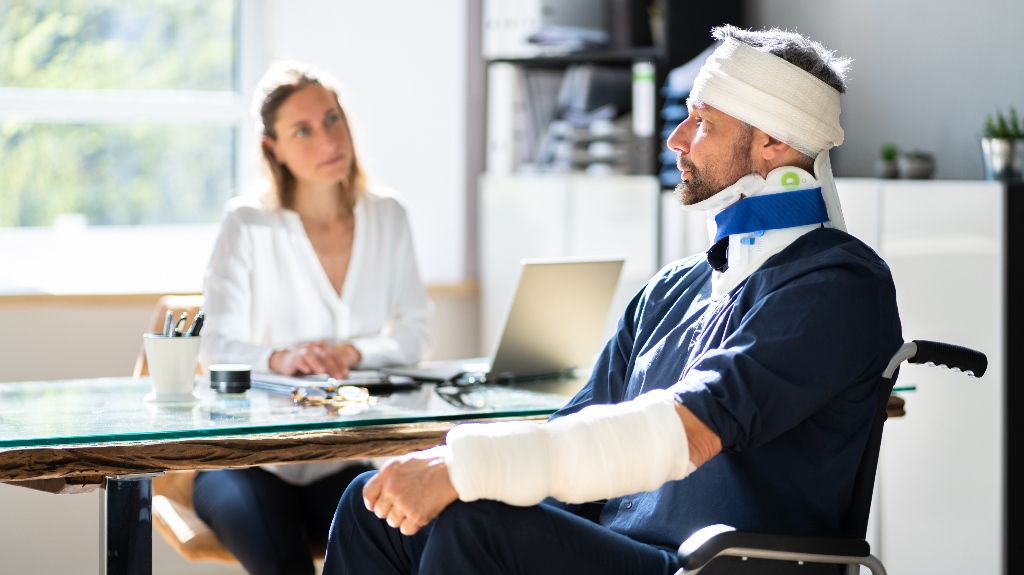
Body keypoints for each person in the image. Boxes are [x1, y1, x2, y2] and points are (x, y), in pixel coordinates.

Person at [323, 25, 903, 575]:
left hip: (712, 563)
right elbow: (577, 428)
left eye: (702, 122)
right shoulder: (670, 291)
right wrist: (450, 474)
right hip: (618, 551)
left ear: (774, 141)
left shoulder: (838, 285)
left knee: (473, 525)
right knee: (372, 508)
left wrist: (467, 467)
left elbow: (693, 428)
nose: (675, 138)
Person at [194, 61, 432, 575]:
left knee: (418, 544)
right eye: (303, 130)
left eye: (332, 118)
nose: (328, 139)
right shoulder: (247, 223)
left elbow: (414, 332)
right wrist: (283, 357)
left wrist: (353, 353)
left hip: (348, 457)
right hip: (249, 461)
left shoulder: (388, 215)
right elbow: (213, 344)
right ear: (272, 148)